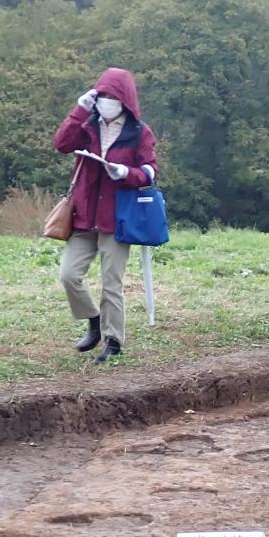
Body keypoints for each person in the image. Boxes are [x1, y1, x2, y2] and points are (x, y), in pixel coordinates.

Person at [52, 67, 159, 363]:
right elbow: (61, 144)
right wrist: (80, 109)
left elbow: (150, 171)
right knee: (69, 274)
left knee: (112, 281)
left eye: (113, 96)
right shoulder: (87, 125)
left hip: (117, 217)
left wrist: (125, 173)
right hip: (84, 215)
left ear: (125, 99)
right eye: (102, 95)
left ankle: (114, 341)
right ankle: (94, 321)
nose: (107, 101)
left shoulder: (139, 132)